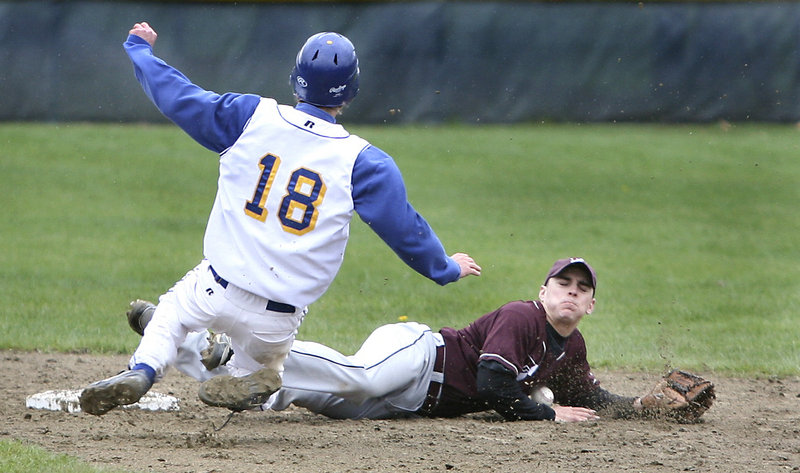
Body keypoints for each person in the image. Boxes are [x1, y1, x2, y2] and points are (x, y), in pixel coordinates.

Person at [79, 22, 481, 416]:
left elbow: (178, 96)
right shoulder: (364, 162)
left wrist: (140, 51)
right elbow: (406, 231)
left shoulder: (250, 117)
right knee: (248, 378)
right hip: (278, 317)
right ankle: (250, 371)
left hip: (215, 286)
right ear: (352, 90)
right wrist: (445, 268)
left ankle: (145, 368)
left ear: (296, 79)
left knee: (170, 314)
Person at [130, 257, 651, 422]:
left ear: (590, 306)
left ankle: (188, 345)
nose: (571, 292)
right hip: (420, 356)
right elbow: (495, 384)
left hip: (410, 407)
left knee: (277, 398)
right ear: (544, 290)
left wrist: (647, 408)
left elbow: (589, 396)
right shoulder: (522, 316)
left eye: (582, 290)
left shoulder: (571, 349)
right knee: (359, 377)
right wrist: (547, 413)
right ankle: (234, 352)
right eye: (563, 283)